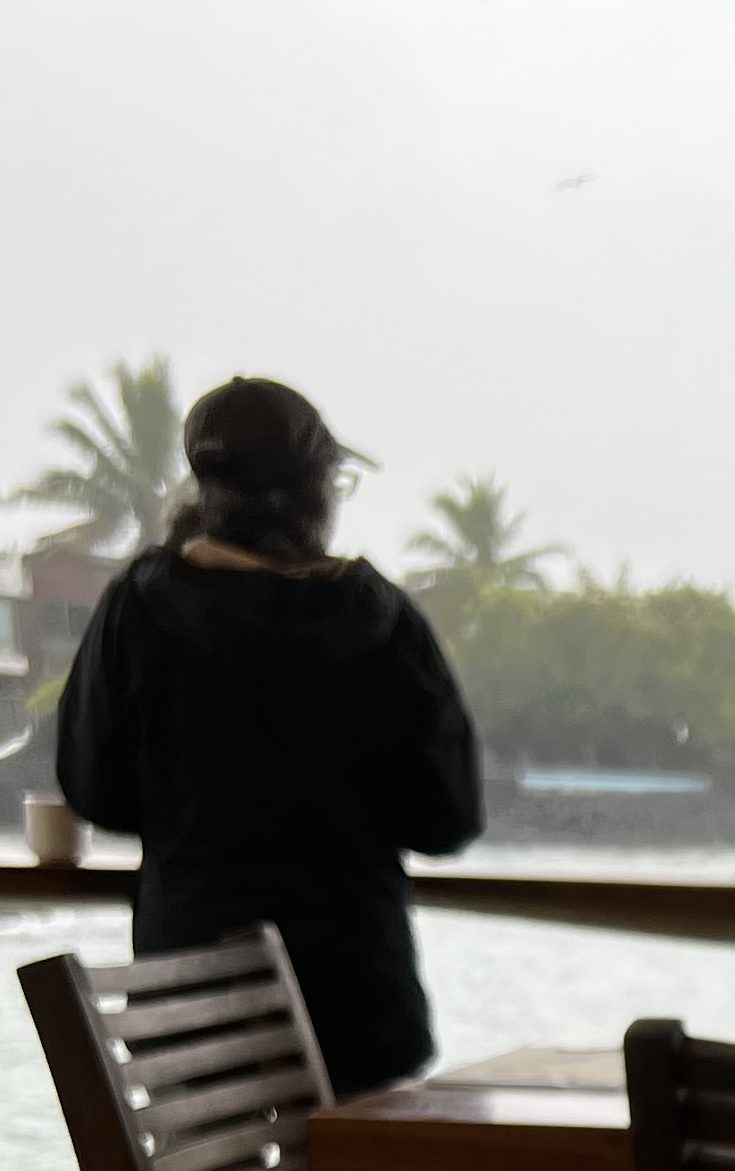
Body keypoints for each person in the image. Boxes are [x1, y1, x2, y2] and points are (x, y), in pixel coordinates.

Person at [56, 376, 481, 1107]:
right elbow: (447, 820)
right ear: (317, 495)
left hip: (194, 1002)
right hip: (355, 1007)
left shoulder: (139, 609)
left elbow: (95, 789)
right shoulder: (382, 621)